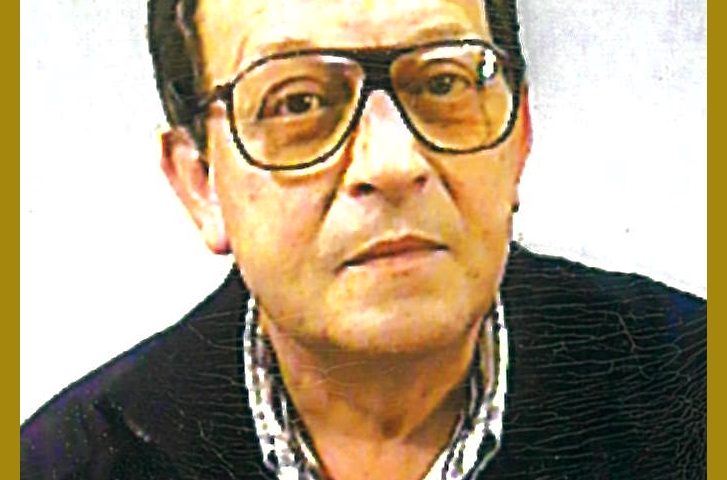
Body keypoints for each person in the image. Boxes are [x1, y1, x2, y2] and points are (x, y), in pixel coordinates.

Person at [20, 0, 706, 478]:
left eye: (443, 82)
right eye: (297, 102)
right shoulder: (70, 463)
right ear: (201, 183)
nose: (392, 162)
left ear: (519, 137)